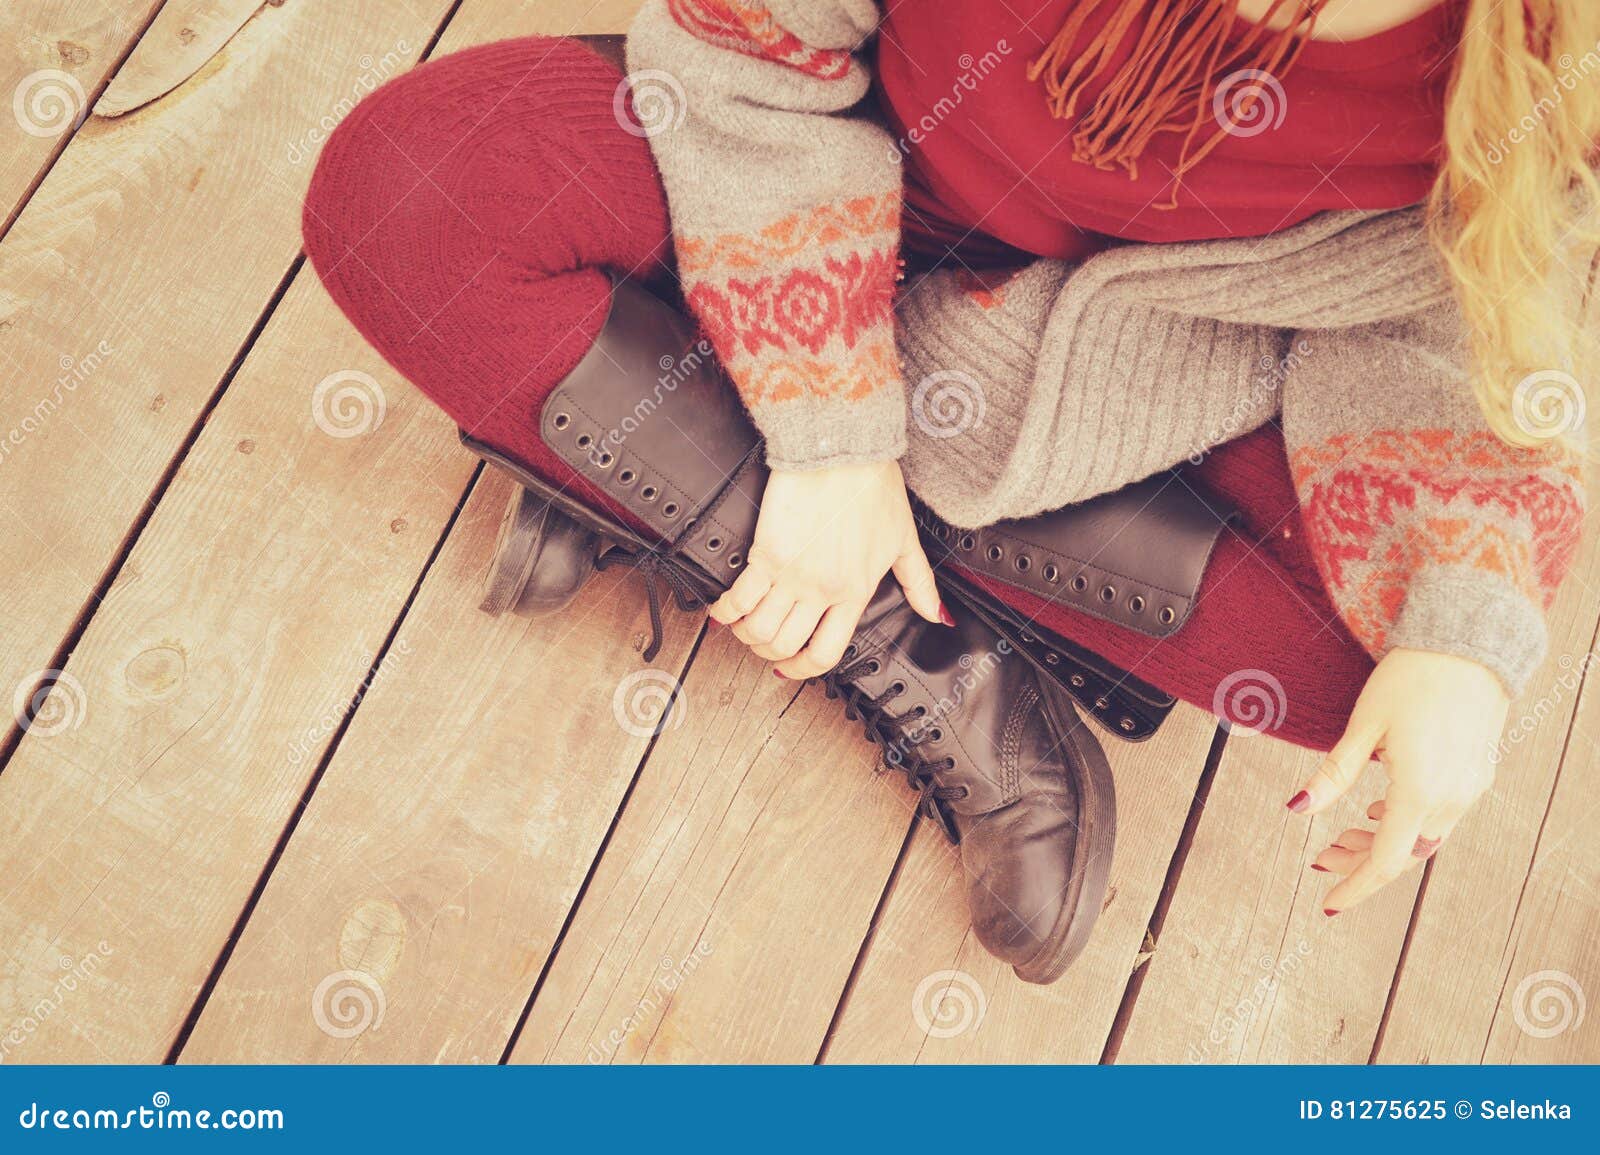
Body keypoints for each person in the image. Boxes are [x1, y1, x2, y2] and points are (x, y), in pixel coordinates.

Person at [301, 0, 1593, 981]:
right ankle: (917, 647)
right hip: (792, 160)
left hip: (1094, 349)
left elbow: (1455, 307)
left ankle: (655, 461)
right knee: (408, 190)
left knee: (1376, 670)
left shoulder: (1548, 51)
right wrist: (828, 429)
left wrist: (1463, 640)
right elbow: (749, 39)